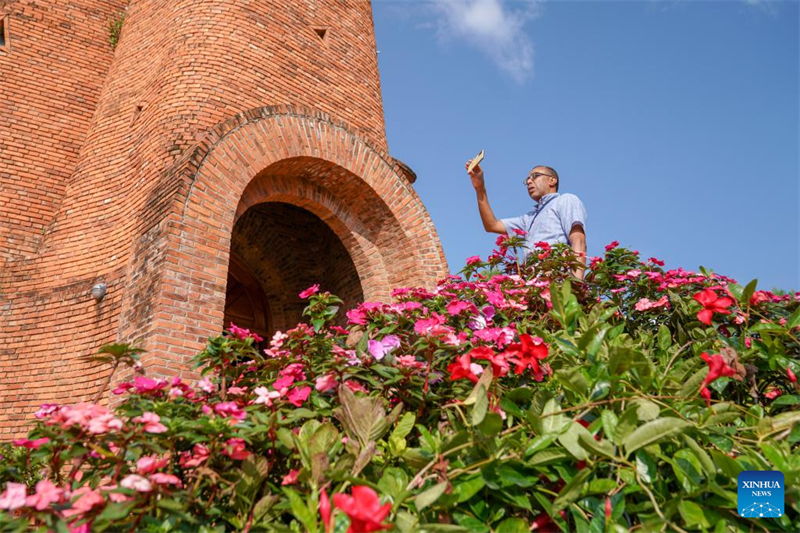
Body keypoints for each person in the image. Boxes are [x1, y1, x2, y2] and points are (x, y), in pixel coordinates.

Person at [466, 160, 587, 278]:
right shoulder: (529, 219)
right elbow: (492, 225)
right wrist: (480, 188)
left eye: (535, 176)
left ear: (552, 180)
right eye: (527, 179)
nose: (529, 181)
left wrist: (576, 283)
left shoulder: (565, 200)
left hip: (558, 280)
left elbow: (578, 240)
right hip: (535, 285)